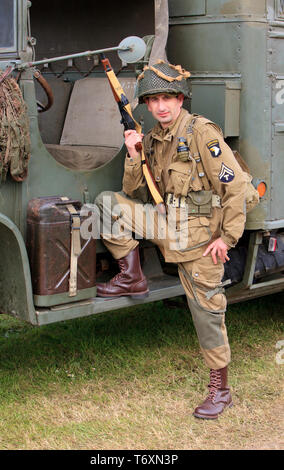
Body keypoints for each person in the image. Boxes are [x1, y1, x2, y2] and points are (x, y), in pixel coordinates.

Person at [95, 61, 247, 419]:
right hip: (166, 224)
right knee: (106, 204)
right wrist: (134, 154)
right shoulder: (151, 139)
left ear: (180, 99)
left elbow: (235, 185)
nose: (161, 106)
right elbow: (133, 191)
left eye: (168, 98)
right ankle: (131, 276)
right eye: (154, 100)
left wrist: (226, 237)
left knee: (207, 313)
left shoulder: (201, 133)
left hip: (199, 239)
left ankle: (220, 390)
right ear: (147, 105)